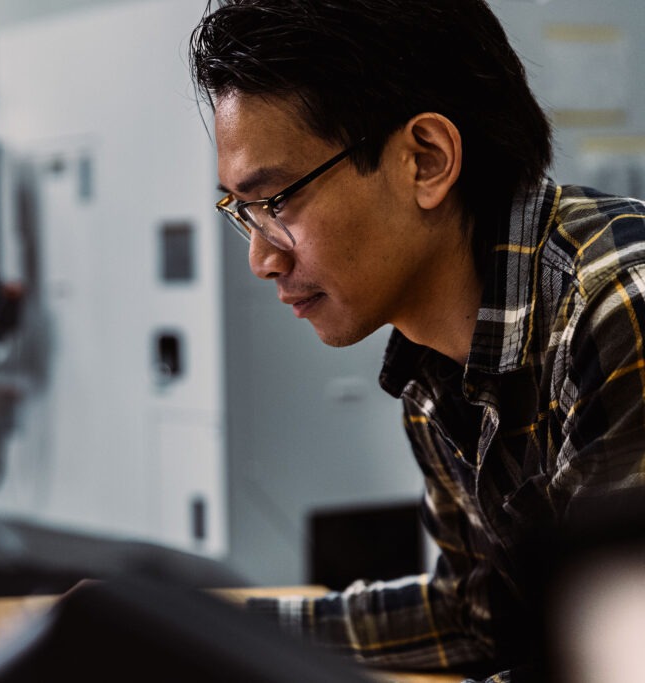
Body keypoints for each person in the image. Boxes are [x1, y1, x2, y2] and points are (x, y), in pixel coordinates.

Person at [189, 1, 645, 681]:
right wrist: (197, 631)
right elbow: (474, 615)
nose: (262, 258)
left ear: (425, 160)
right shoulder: (437, 363)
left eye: (277, 200)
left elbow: (612, 658)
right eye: (244, 211)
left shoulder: (617, 307)